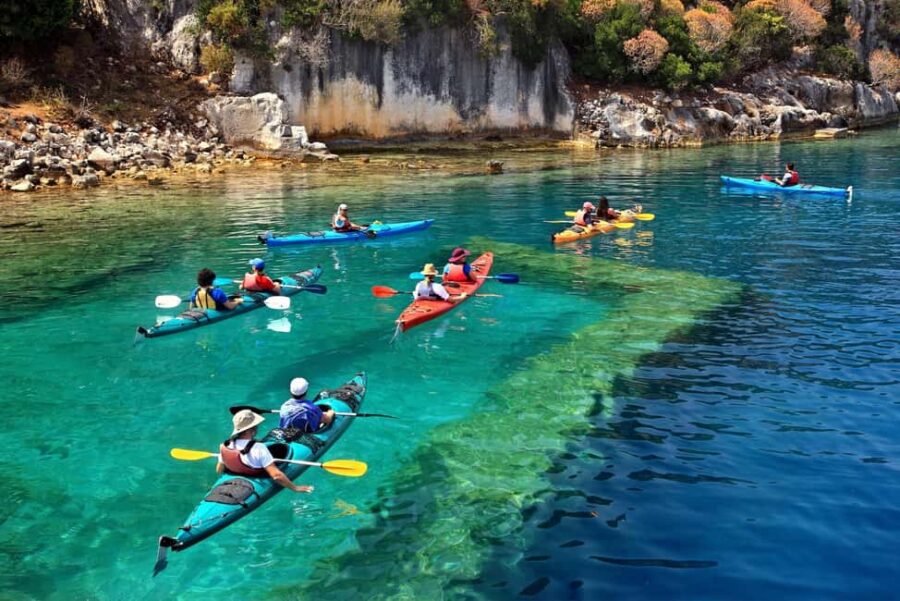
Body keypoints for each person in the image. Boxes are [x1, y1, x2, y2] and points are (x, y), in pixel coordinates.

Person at [217, 409, 314, 493]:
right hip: (258, 478)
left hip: (235, 477)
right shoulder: (259, 448)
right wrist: (295, 488)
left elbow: (219, 470)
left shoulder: (226, 445)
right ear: (251, 429)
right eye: (256, 425)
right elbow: (276, 476)